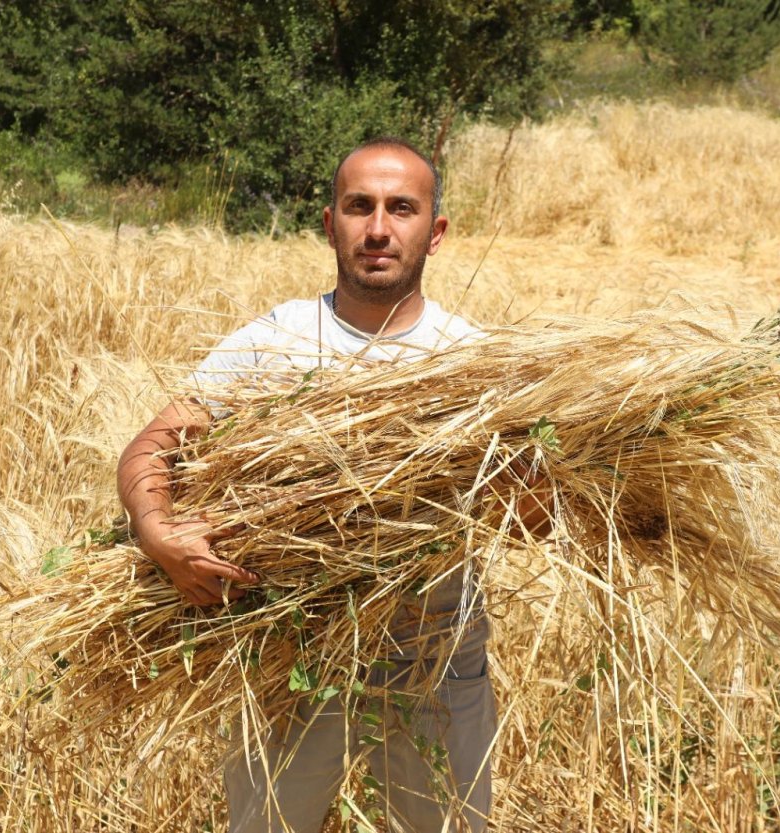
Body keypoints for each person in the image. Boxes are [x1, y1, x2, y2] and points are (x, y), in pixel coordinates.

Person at [117, 137, 547, 832]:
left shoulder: (474, 362)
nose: (379, 228)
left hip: (435, 661)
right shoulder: (276, 341)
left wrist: (532, 493)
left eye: (401, 208)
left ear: (434, 232)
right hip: (292, 653)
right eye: (360, 207)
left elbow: (531, 520)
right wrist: (155, 528)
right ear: (330, 224)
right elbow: (154, 443)